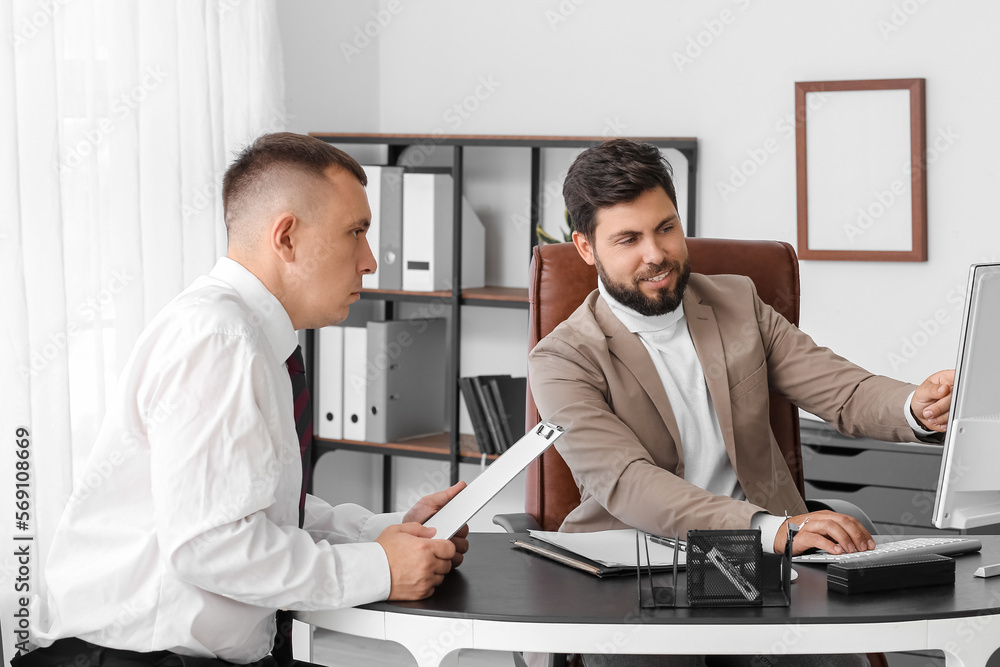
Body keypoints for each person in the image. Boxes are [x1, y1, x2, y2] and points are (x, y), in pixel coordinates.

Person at [22, 132, 469, 667]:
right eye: (356, 233)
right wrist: (380, 569)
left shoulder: (246, 334)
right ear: (286, 237)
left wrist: (382, 534)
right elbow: (212, 546)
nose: (370, 261)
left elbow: (255, 505)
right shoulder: (220, 340)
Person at [527, 138, 954, 667]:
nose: (655, 254)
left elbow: (842, 388)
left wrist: (918, 404)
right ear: (586, 248)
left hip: (758, 561)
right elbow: (628, 481)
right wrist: (773, 529)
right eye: (628, 239)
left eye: (665, 228)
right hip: (641, 563)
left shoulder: (736, 302)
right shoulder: (562, 359)